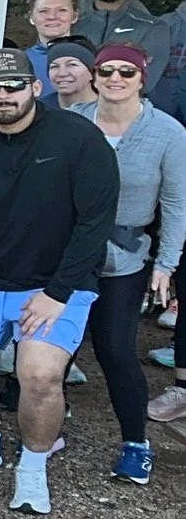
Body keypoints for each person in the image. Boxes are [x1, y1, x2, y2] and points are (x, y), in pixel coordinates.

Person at [0, 50, 120, 514]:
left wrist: (58, 293)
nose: (3, 96)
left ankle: (33, 466)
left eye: (13, 85)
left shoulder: (79, 138)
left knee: (39, 375)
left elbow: (96, 222)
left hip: (56, 283)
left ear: (36, 87)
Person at [79, 44, 186, 484]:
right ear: (95, 75)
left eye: (127, 71)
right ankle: (39, 435)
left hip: (126, 257)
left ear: (143, 78)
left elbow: (177, 203)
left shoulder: (168, 132)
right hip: (68, 251)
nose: (116, 78)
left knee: (115, 348)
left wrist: (165, 265)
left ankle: (135, 445)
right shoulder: (74, 121)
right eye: (107, 70)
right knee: (49, 347)